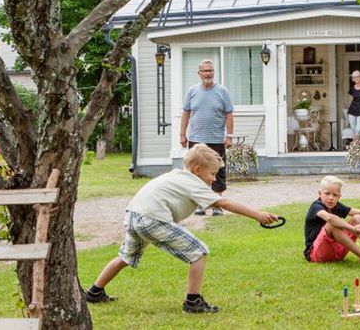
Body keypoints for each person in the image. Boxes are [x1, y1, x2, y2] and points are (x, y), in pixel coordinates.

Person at [84, 144, 279, 314]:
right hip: (153, 219)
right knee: (199, 252)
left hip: (134, 215)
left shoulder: (176, 174)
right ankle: (193, 302)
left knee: (125, 256)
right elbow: (224, 203)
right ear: (196, 170)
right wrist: (258, 215)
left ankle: (94, 292)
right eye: (211, 174)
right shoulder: (194, 182)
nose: (213, 179)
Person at [179, 59, 234, 216]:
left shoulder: (222, 91)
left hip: (216, 139)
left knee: (218, 170)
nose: (208, 73)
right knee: (195, 171)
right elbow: (186, 113)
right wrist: (182, 134)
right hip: (196, 139)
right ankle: (200, 205)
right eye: (205, 71)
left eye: (210, 70)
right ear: (199, 73)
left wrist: (229, 136)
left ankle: (217, 205)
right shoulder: (192, 91)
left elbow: (229, 114)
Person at [303, 176, 360, 266]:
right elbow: (330, 218)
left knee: (358, 218)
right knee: (332, 224)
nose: (331, 198)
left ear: (339, 196)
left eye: (335, 195)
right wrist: (352, 229)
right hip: (316, 254)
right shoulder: (316, 207)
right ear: (319, 193)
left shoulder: (337, 206)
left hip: (337, 253)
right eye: (327, 193)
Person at [346, 70, 360, 141]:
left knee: (358, 129)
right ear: (352, 79)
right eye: (354, 77)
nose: (356, 78)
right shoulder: (352, 89)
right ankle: (357, 146)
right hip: (352, 111)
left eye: (357, 76)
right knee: (353, 129)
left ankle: (356, 146)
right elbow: (350, 100)